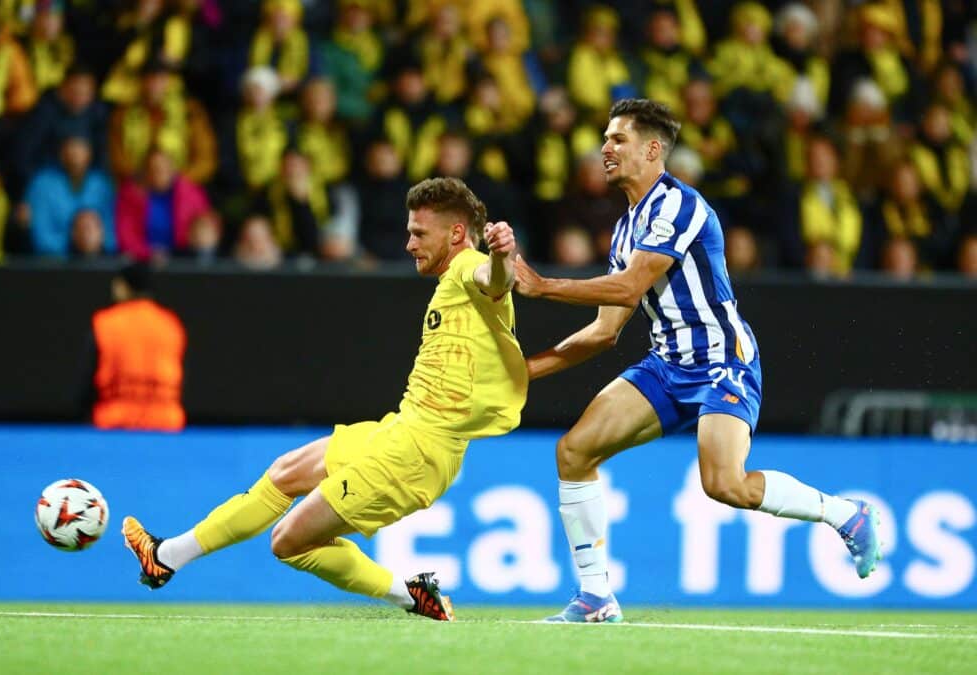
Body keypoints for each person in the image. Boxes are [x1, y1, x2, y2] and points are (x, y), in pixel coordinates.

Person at [513, 99, 882, 624]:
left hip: (721, 363)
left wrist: (541, 286)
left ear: (653, 149)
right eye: (605, 137)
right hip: (666, 367)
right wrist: (524, 372)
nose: (605, 148)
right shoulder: (625, 230)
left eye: (618, 139)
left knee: (724, 484)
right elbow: (603, 331)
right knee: (574, 452)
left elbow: (631, 285)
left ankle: (847, 514)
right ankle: (595, 597)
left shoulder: (679, 206)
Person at [122, 178, 525, 621]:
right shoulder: (453, 281)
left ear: (455, 234)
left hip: (416, 454)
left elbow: (495, 278)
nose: (409, 244)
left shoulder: (470, 265)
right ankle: (166, 556)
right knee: (284, 474)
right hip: (400, 430)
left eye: (419, 234)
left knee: (288, 541)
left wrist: (501, 257)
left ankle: (411, 596)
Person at [90, 262, 187, 431]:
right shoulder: (171, 324)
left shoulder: (105, 322)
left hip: (115, 421)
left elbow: (88, 377)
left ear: (121, 287)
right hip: (165, 422)